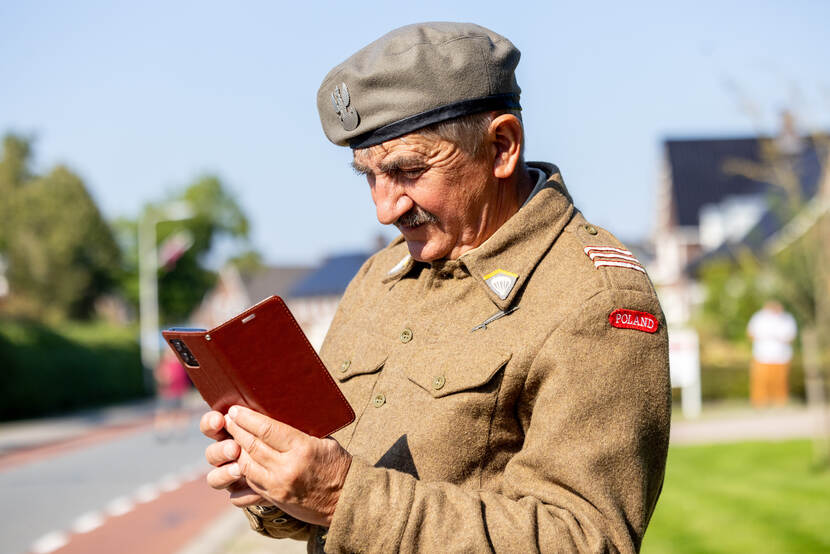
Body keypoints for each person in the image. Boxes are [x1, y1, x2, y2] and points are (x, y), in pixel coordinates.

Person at [200, 22, 670, 553]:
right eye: (368, 175)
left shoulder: (594, 298)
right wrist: (273, 481)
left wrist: (340, 496)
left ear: (501, 146)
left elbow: (585, 540)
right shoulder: (377, 279)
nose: (384, 208)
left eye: (406, 170)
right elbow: (322, 499)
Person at [747, 300, 798, 408]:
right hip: (762, 355)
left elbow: (791, 336)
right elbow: (750, 333)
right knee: (761, 380)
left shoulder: (787, 318)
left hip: (781, 356)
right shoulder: (759, 317)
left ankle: (780, 402)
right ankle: (760, 402)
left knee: (780, 381)